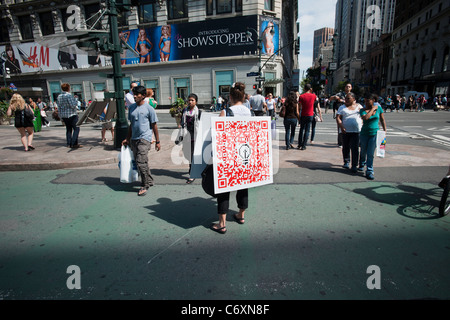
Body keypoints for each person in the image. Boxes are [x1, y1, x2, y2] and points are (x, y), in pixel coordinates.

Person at [211, 82, 251, 235]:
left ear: (230, 97)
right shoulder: (249, 113)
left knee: (224, 188)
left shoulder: (226, 112)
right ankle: (241, 215)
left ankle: (222, 223)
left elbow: (218, 137)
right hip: (244, 154)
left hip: (228, 156)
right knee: (243, 184)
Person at [122, 85, 161, 196]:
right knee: (142, 162)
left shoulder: (149, 109)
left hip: (145, 138)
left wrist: (158, 141)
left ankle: (144, 185)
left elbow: (154, 125)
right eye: (133, 94)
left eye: (137, 94)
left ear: (143, 96)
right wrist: (127, 138)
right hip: (134, 138)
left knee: (140, 162)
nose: (134, 96)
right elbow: (131, 125)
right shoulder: (131, 108)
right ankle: (149, 180)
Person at [359, 93, 387, 180]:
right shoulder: (362, 110)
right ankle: (362, 163)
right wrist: (372, 109)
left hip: (375, 134)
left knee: (370, 153)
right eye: (365, 101)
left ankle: (369, 171)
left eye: (368, 101)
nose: (366, 102)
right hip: (364, 134)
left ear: (373, 100)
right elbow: (366, 118)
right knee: (363, 151)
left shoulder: (379, 109)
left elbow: (382, 119)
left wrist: (385, 130)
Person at [336, 92, 363, 172]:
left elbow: (363, 115)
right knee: (346, 147)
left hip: (356, 131)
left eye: (348, 98)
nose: (346, 100)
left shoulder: (359, 107)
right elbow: (338, 118)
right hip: (345, 131)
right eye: (345, 98)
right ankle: (346, 161)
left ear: (354, 99)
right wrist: (341, 126)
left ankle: (354, 165)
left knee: (355, 148)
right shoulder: (342, 107)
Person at [180, 93, 201, 184]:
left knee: (192, 155)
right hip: (186, 135)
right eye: (189, 100)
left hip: (195, 136)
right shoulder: (185, 111)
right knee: (187, 154)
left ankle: (192, 174)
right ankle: (193, 170)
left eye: (192, 100)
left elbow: (202, 125)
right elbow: (182, 123)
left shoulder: (199, 112)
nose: (190, 102)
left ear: (196, 102)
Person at [57, 83, 82, 148]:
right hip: (71, 114)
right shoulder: (68, 95)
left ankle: (69, 143)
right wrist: (76, 100)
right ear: (68, 88)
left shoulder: (59, 96)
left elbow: (59, 107)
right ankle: (74, 143)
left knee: (68, 129)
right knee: (76, 129)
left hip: (64, 115)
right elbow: (73, 105)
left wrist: (60, 116)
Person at [296, 83, 317, 150]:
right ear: (310, 89)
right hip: (310, 114)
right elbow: (316, 101)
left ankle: (299, 144)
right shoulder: (313, 96)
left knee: (301, 129)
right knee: (307, 130)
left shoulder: (301, 96)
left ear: (304, 89)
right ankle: (304, 145)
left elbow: (299, 105)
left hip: (303, 114)